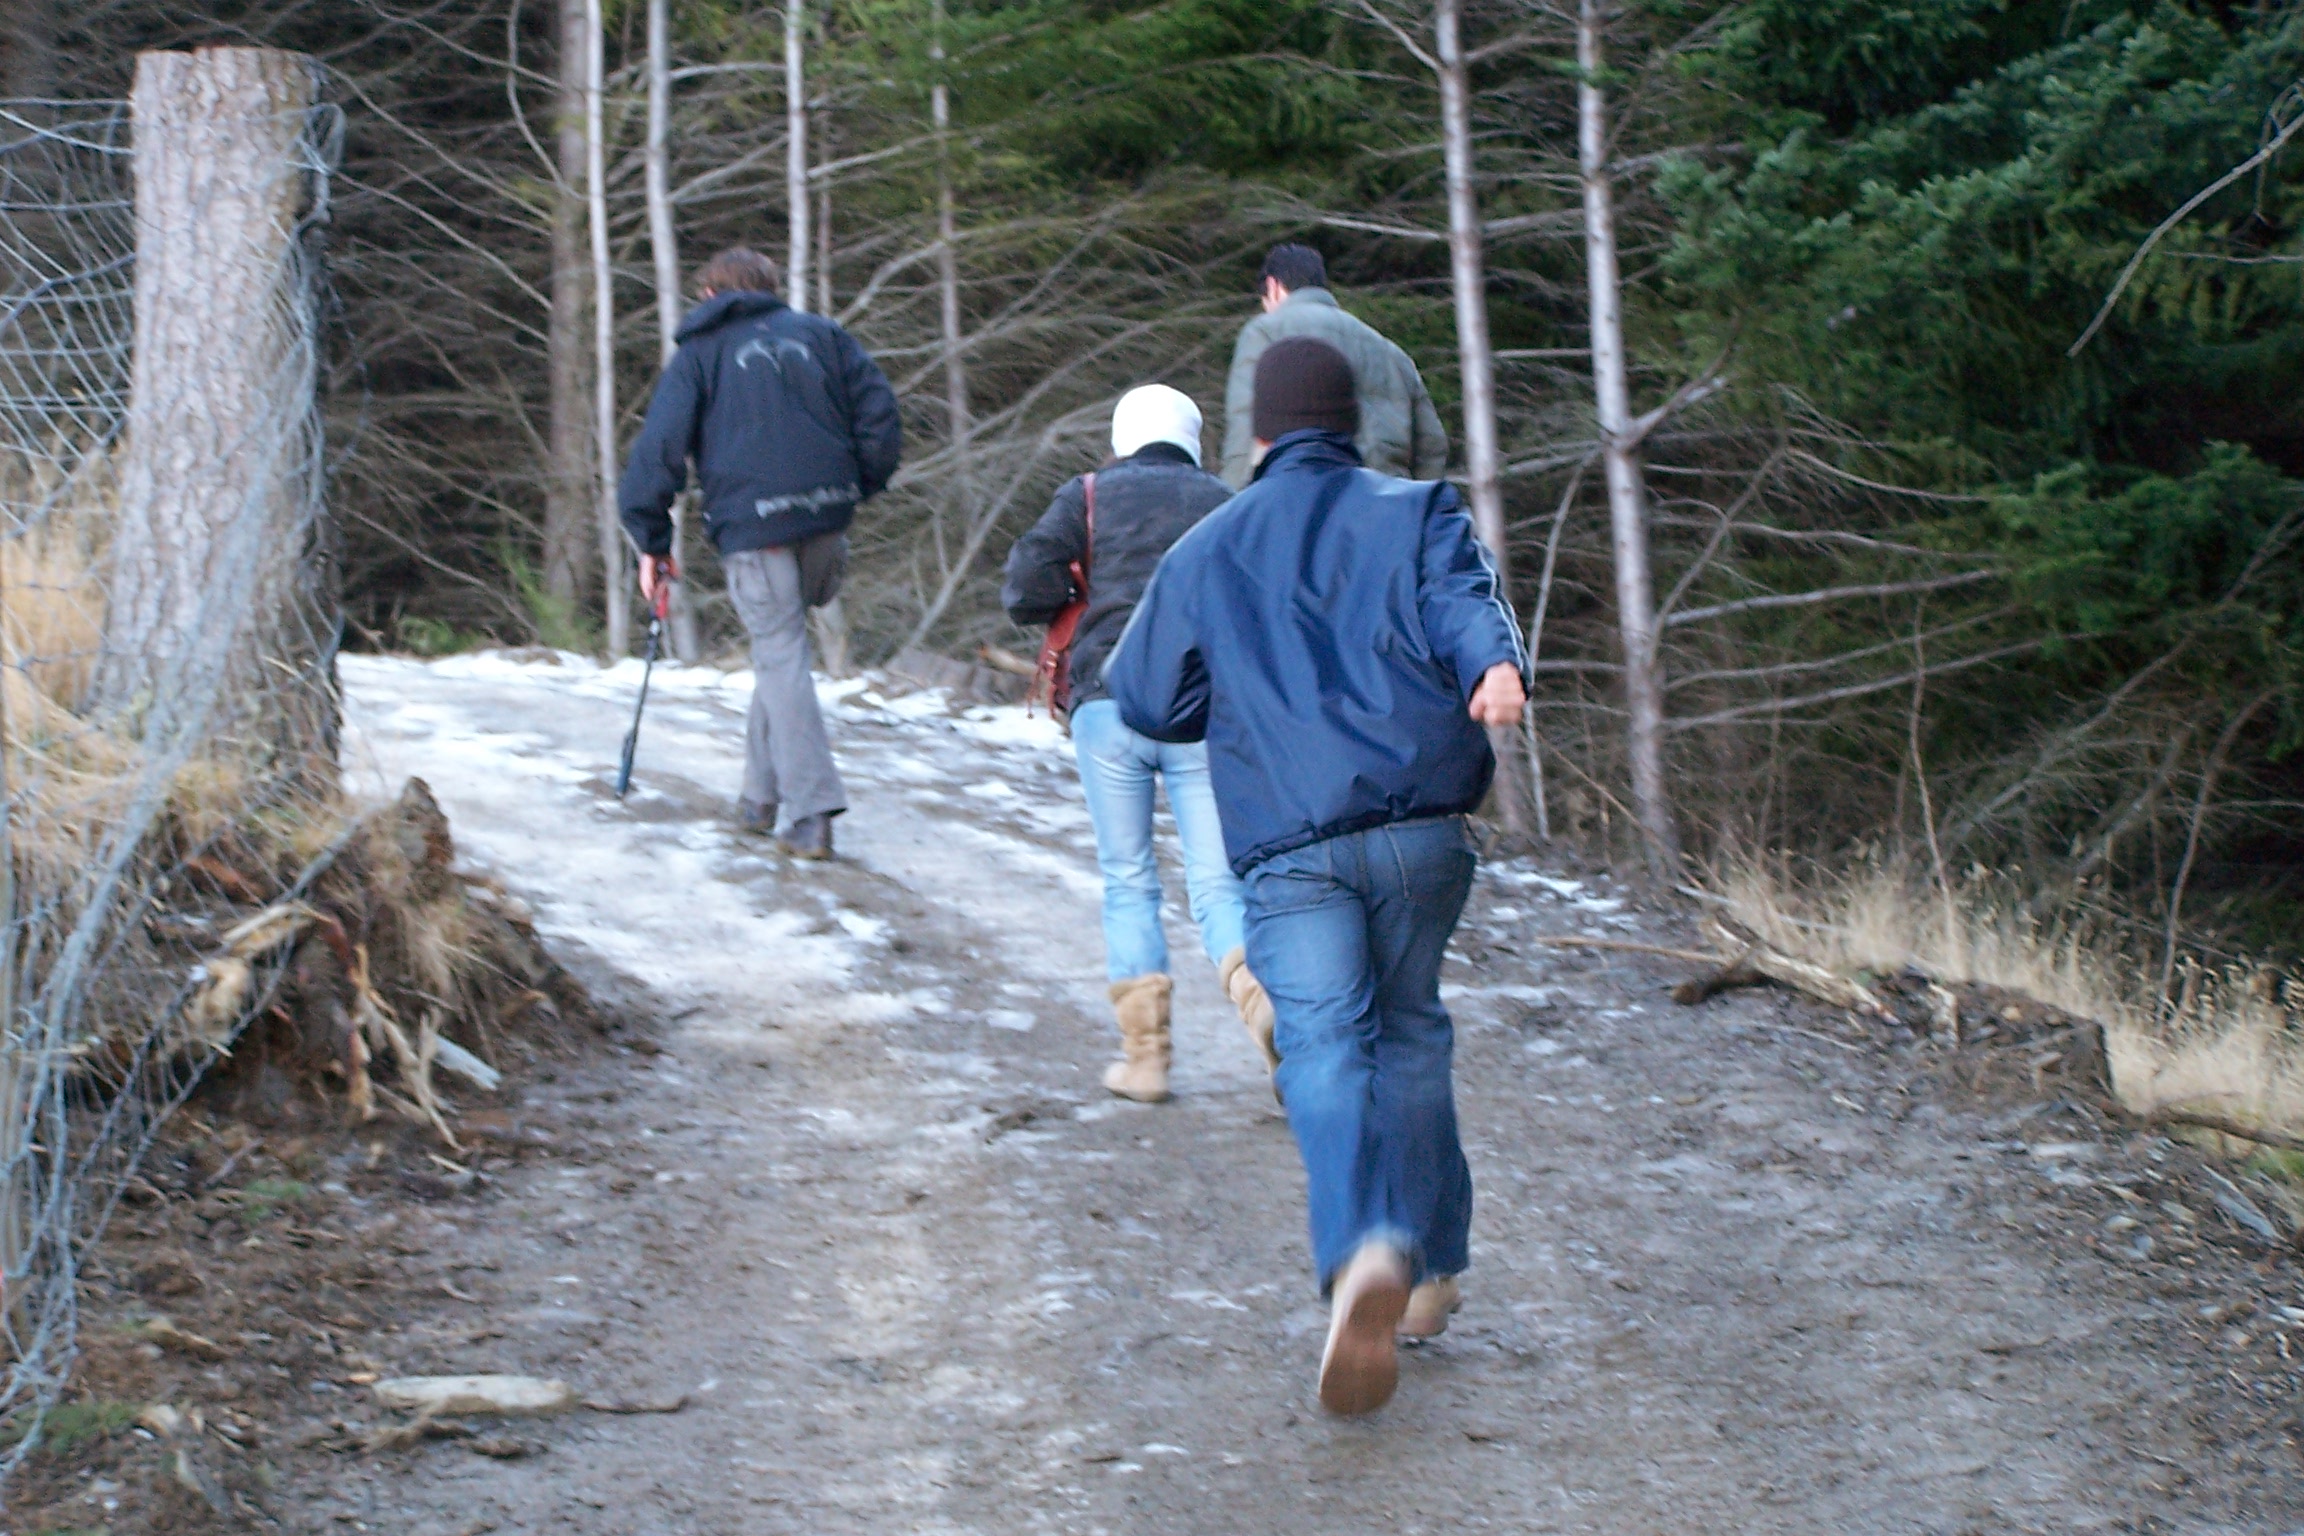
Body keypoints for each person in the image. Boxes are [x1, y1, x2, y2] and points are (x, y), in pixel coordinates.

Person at [1105, 337, 1528, 1416]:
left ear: (1256, 430)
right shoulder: (1418, 509)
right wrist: (1495, 665)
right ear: (1352, 423)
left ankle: (1363, 1248)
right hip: (1423, 825)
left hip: (1291, 841)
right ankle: (1429, 1277)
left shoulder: (1206, 548)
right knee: (1411, 1028)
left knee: (1327, 1041)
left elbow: (1145, 697)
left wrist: (1239, 702)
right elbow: (1467, 606)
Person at [1001, 385, 1276, 1103]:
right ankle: (1266, 1010)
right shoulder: (1225, 501)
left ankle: (1146, 1060)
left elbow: (1023, 590)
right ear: (1192, 437)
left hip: (1108, 704)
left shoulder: (1088, 495)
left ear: (1122, 436)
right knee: (1219, 884)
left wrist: (1077, 589)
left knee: (1129, 879)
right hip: (1200, 712)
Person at [620, 247, 900, 861]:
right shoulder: (824, 336)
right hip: (826, 517)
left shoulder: (700, 354)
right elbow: (880, 415)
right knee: (782, 651)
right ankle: (758, 797)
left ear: (709, 295)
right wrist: (856, 485)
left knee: (780, 650)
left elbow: (659, 450)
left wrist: (651, 541)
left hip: (755, 526)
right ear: (769, 288)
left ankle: (811, 812)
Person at [1219, 243, 1449, 489]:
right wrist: (1413, 501)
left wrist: (1234, 499)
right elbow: (1432, 446)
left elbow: (1245, 433)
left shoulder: (1266, 332)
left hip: (1306, 498)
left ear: (1273, 287)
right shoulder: (1389, 350)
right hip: (1388, 498)